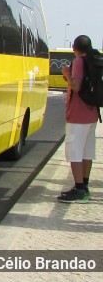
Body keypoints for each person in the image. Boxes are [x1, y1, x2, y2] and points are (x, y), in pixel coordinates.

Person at [58, 35, 98, 203]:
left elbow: (76, 86)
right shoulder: (94, 60)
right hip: (92, 113)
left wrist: (67, 73)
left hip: (78, 115)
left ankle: (79, 189)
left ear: (74, 47)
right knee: (87, 151)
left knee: (74, 151)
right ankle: (85, 187)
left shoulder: (79, 62)